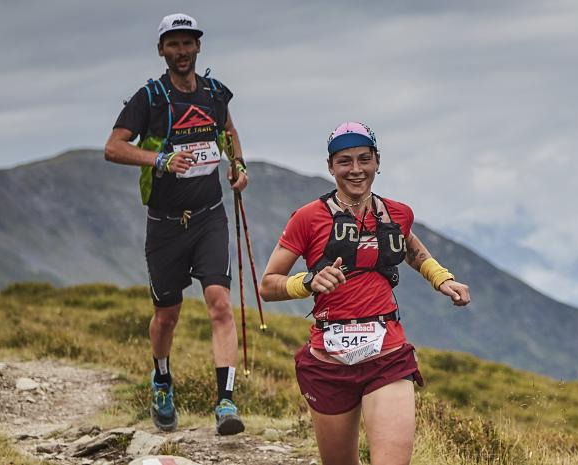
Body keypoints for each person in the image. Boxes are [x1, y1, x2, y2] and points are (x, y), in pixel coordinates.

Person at [261, 122, 472, 465]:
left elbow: (413, 251)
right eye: (345, 161)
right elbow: (268, 285)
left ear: (377, 162)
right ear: (331, 167)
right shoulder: (307, 218)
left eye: (364, 159)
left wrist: (443, 280)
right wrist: (308, 282)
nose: (356, 170)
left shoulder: (397, 214)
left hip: (386, 356)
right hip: (329, 360)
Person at [103, 13, 250, 435]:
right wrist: (160, 159)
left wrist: (238, 166)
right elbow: (113, 148)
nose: (182, 52)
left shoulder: (215, 93)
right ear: (161, 50)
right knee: (167, 314)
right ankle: (162, 379)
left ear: (198, 47)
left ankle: (225, 402)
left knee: (220, 304)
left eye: (188, 43)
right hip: (165, 223)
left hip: (209, 217)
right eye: (173, 44)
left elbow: (229, 132)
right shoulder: (149, 98)